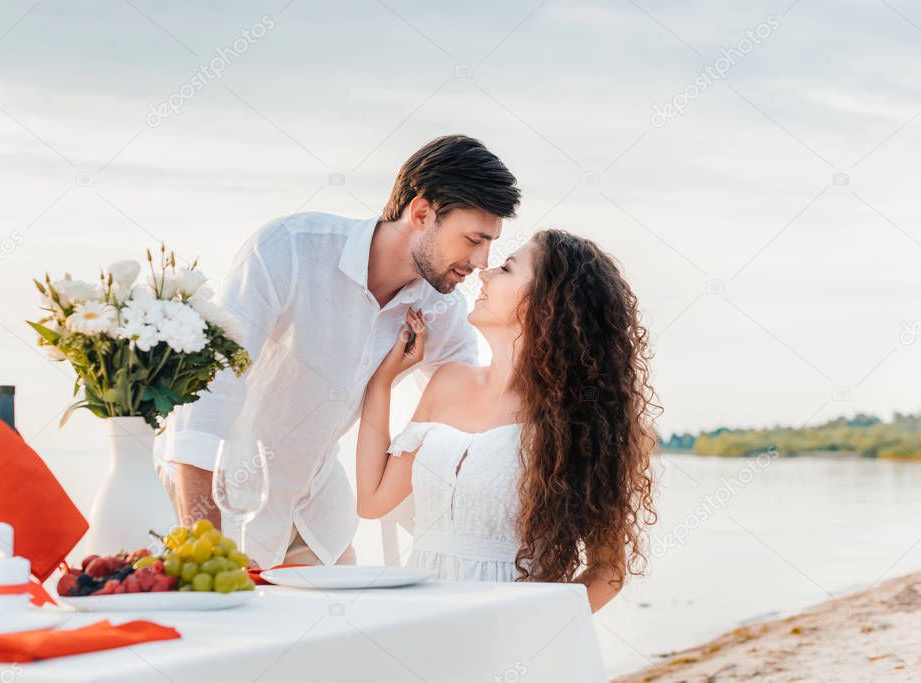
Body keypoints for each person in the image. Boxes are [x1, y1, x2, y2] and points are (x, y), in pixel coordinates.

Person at [157, 135, 521, 568]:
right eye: (473, 240)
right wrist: (202, 550)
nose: (482, 261)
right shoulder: (289, 249)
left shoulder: (441, 305)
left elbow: (476, 405)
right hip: (213, 509)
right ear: (422, 213)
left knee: (346, 630)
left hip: (317, 523)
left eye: (489, 245)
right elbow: (211, 391)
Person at [355, 229, 658, 611]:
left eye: (507, 268)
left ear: (546, 301)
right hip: (421, 619)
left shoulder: (575, 419)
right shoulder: (449, 381)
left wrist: (529, 628)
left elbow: (607, 572)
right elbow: (372, 502)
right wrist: (382, 382)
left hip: (512, 636)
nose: (484, 272)